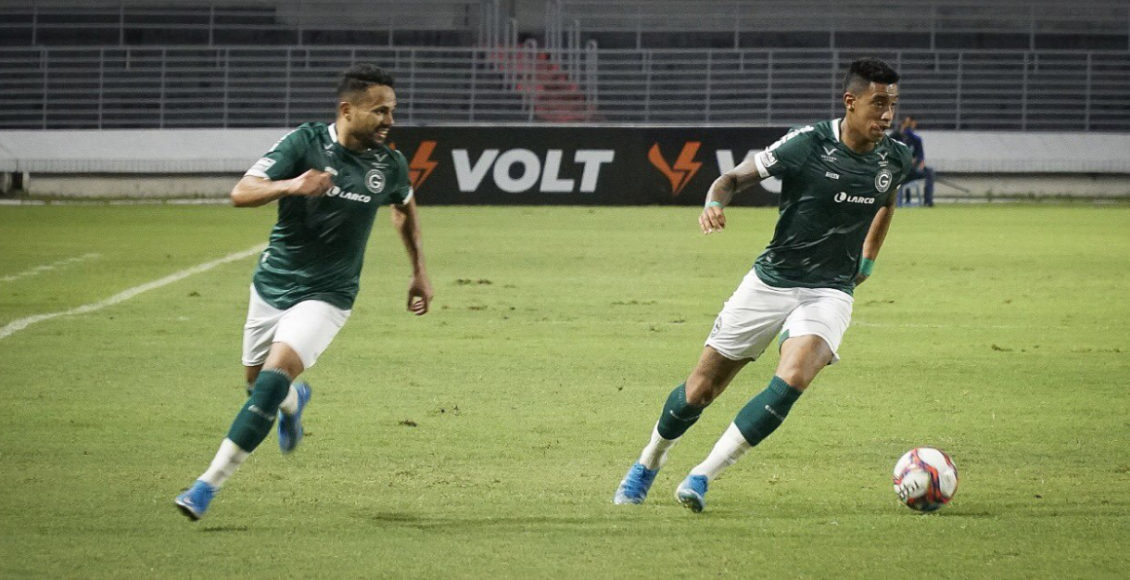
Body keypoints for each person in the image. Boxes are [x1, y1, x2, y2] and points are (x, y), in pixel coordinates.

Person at [613, 57, 914, 513]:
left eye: (892, 104)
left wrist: (868, 259)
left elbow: (886, 202)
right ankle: (648, 462)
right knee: (701, 390)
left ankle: (701, 476)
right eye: (878, 104)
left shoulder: (895, 157)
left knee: (794, 377)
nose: (887, 115)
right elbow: (733, 178)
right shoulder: (807, 143)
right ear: (850, 102)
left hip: (830, 289)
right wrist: (714, 201)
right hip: (772, 281)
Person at [175, 64, 434, 521]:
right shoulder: (304, 143)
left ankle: (205, 486)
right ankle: (296, 402)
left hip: (329, 295)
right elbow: (242, 192)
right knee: (258, 387)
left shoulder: (388, 164)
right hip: (273, 283)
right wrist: (294, 184)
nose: (389, 120)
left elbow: (403, 209)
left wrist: (419, 272)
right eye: (379, 111)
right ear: (347, 110)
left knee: (270, 383)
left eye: (392, 110)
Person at [891, 115, 935, 206]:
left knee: (930, 172)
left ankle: (928, 201)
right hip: (899, 171)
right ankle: (892, 202)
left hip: (913, 170)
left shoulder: (916, 139)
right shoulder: (894, 137)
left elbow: (920, 156)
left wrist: (920, 162)